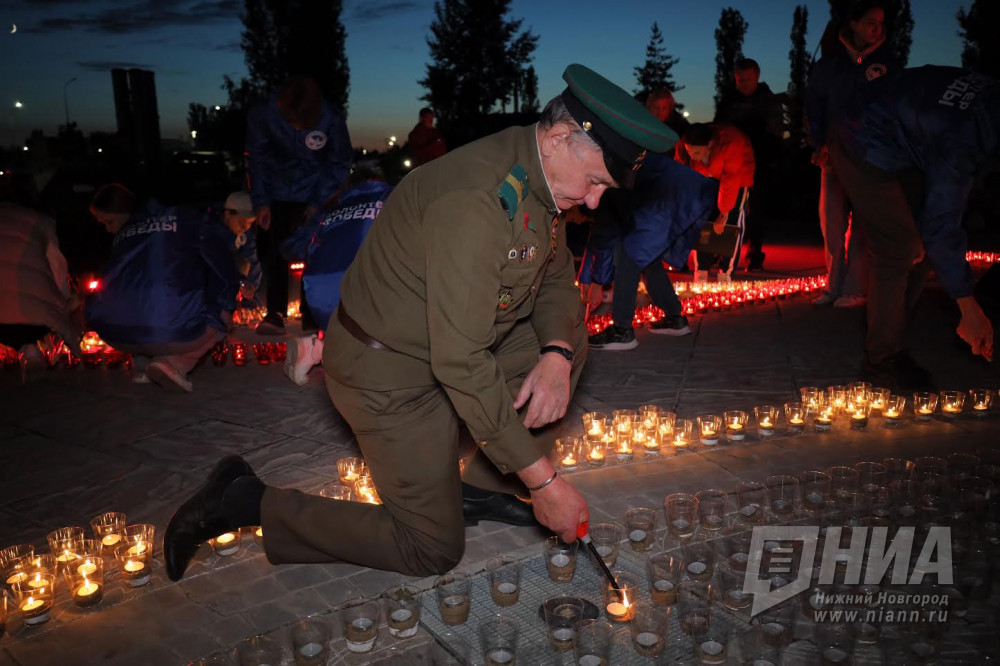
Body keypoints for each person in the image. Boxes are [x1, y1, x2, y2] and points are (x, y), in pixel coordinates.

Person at [163, 64, 677, 581]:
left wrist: (558, 355)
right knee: (430, 549)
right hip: (389, 372)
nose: (594, 201)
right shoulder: (476, 201)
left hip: (453, 343)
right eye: (595, 181)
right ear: (562, 136)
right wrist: (544, 484)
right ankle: (243, 500)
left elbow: (555, 278)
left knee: (563, 341)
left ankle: (480, 488)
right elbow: (461, 361)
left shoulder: (538, 172)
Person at [826, 66, 998, 389]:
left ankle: (890, 342)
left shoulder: (985, 112)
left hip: (905, 141)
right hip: (859, 135)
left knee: (921, 245)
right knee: (898, 247)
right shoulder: (964, 135)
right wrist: (968, 308)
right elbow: (941, 223)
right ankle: (881, 361)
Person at [85, 184, 240, 392]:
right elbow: (222, 269)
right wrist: (224, 305)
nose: (108, 229)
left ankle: (142, 365)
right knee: (221, 314)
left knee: (138, 304)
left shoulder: (124, 236)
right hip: (171, 332)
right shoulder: (189, 220)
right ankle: (175, 364)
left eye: (109, 222)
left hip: (114, 334)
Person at [806, 0, 898, 308]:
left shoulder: (886, 63)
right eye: (871, 22)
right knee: (831, 221)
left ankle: (855, 287)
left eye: (881, 23)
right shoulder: (830, 65)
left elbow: (895, 106)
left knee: (862, 223)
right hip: (834, 153)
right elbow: (814, 105)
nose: (877, 29)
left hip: (871, 156)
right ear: (854, 24)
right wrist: (818, 142)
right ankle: (833, 285)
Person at [246, 76, 353, 335]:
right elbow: (257, 160)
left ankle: (311, 312)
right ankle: (275, 312)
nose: (295, 127)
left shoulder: (331, 119)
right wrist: (261, 202)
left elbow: (339, 163)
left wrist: (318, 202)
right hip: (277, 192)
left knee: (314, 251)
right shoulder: (264, 114)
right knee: (276, 250)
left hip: (317, 190)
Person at [583, 154, 720, 350]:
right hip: (674, 192)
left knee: (628, 252)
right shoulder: (598, 170)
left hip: (665, 197)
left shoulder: (601, 187)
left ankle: (622, 331)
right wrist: (590, 276)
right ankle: (674, 318)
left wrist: (597, 282)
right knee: (646, 255)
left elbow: (605, 235)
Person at [281, 166, 393, 385]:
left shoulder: (332, 207)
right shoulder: (393, 199)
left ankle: (316, 348)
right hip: (366, 298)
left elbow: (291, 247)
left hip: (320, 301)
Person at [715, 58, 784, 271]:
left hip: (759, 164)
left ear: (757, 77)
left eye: (747, 79)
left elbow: (774, 135)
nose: (743, 84)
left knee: (756, 211)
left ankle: (754, 255)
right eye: (739, 80)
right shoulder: (729, 101)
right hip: (731, 164)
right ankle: (722, 252)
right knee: (727, 207)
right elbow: (719, 127)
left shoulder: (768, 102)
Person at [0, 193, 82, 367]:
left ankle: (26, 349)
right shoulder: (40, 222)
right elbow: (57, 267)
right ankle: (29, 349)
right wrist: (67, 302)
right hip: (34, 319)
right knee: (35, 316)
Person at [674, 123, 755, 282]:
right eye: (690, 152)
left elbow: (731, 180)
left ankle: (725, 272)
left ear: (709, 145)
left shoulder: (731, 144)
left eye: (697, 152)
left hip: (738, 177)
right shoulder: (683, 148)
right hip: (706, 176)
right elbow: (681, 177)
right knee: (702, 222)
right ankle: (701, 270)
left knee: (730, 223)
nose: (693, 156)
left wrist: (724, 212)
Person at [218, 191, 262, 309]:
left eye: (250, 223)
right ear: (227, 214)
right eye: (241, 222)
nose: (245, 227)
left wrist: (250, 287)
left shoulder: (245, 234)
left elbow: (252, 261)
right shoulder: (211, 232)